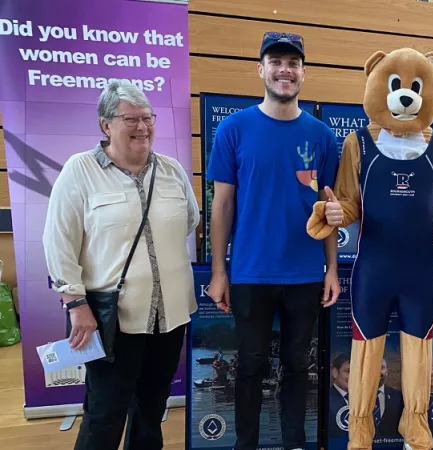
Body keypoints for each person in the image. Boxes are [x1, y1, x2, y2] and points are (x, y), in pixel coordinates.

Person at [42, 79, 200, 450]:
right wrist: (76, 303)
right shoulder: (79, 171)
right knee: (105, 411)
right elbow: (58, 241)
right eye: (131, 118)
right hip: (111, 320)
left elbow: (189, 221)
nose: (142, 127)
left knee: (151, 408)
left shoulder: (173, 169)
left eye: (148, 117)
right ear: (105, 124)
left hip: (170, 318)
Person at [205, 31, 341, 450]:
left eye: (293, 63)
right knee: (250, 364)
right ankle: (245, 444)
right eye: (276, 61)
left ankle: (294, 443)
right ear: (261, 70)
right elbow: (222, 205)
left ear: (304, 72)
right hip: (250, 271)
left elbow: (328, 208)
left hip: (304, 274)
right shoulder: (233, 128)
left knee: (298, 364)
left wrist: (332, 268)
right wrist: (218, 271)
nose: (285, 70)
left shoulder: (322, 136)